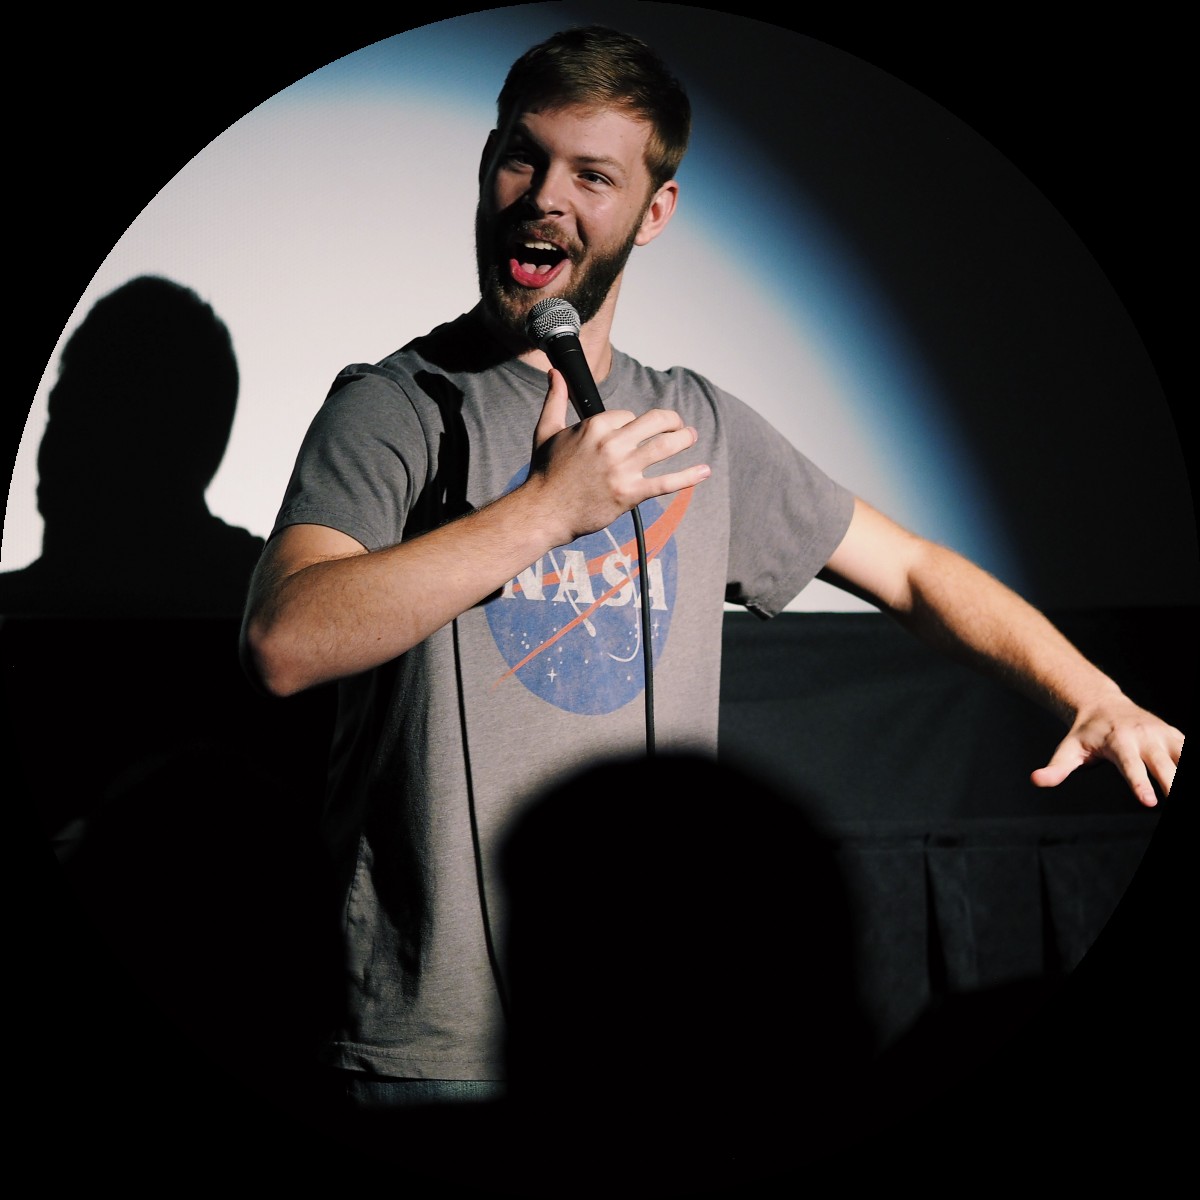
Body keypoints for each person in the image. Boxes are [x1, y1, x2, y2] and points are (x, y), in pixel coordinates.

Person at [239, 22, 1183, 1139]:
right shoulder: (395, 406)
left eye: (593, 176)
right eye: (521, 157)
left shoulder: (696, 424)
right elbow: (286, 640)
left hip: (659, 1039)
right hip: (439, 1055)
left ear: (654, 213)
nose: (545, 197)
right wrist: (543, 511)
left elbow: (916, 572)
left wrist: (1089, 692)